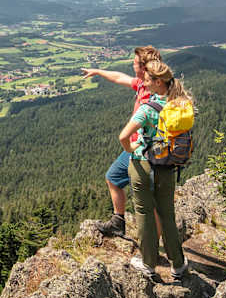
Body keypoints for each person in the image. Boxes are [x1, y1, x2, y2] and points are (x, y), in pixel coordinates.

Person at [118, 59, 191, 280]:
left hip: (142, 164)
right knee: (167, 213)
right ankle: (178, 264)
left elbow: (123, 136)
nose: (144, 83)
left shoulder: (147, 109)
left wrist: (131, 147)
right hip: (168, 166)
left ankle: (148, 263)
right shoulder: (180, 104)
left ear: (158, 81)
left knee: (144, 212)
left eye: (148, 80)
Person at [81, 46, 161, 236]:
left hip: (146, 151)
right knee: (113, 178)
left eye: (134, 63)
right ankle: (119, 221)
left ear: (143, 67)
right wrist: (98, 71)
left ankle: (156, 248)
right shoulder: (144, 83)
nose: (131, 65)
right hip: (136, 148)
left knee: (153, 201)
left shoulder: (153, 91)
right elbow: (119, 77)